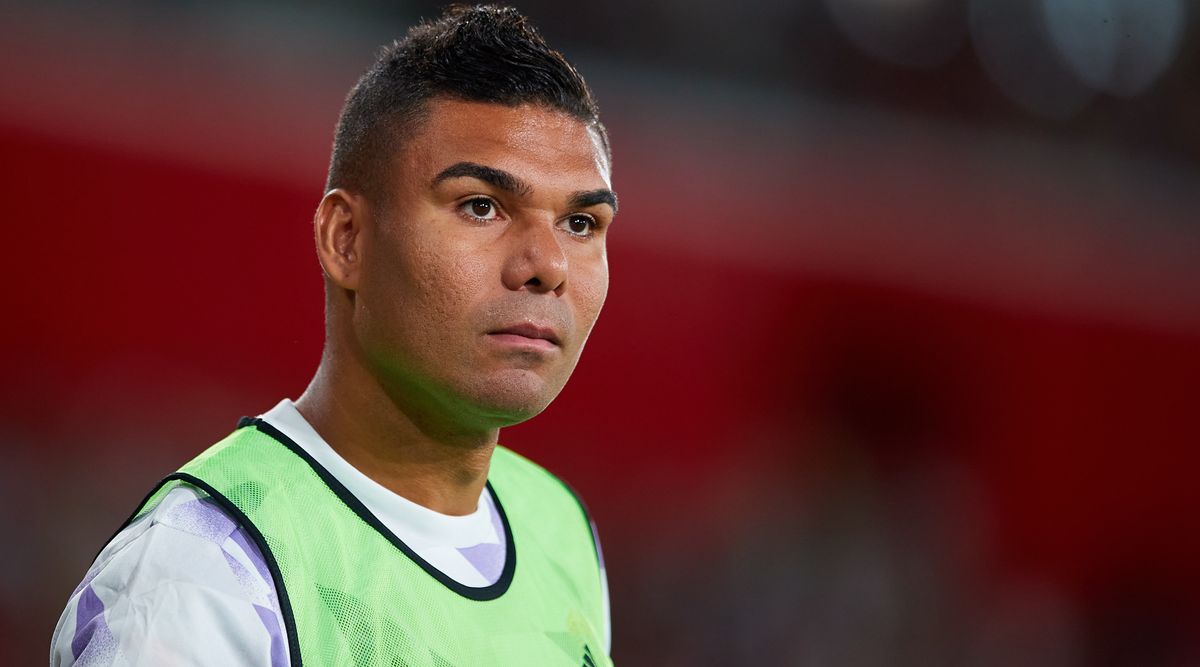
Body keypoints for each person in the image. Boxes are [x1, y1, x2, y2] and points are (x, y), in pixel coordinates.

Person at [51, 5, 617, 665]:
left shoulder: (558, 529)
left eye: (580, 223)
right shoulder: (202, 575)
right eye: (481, 206)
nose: (546, 265)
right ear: (345, 239)